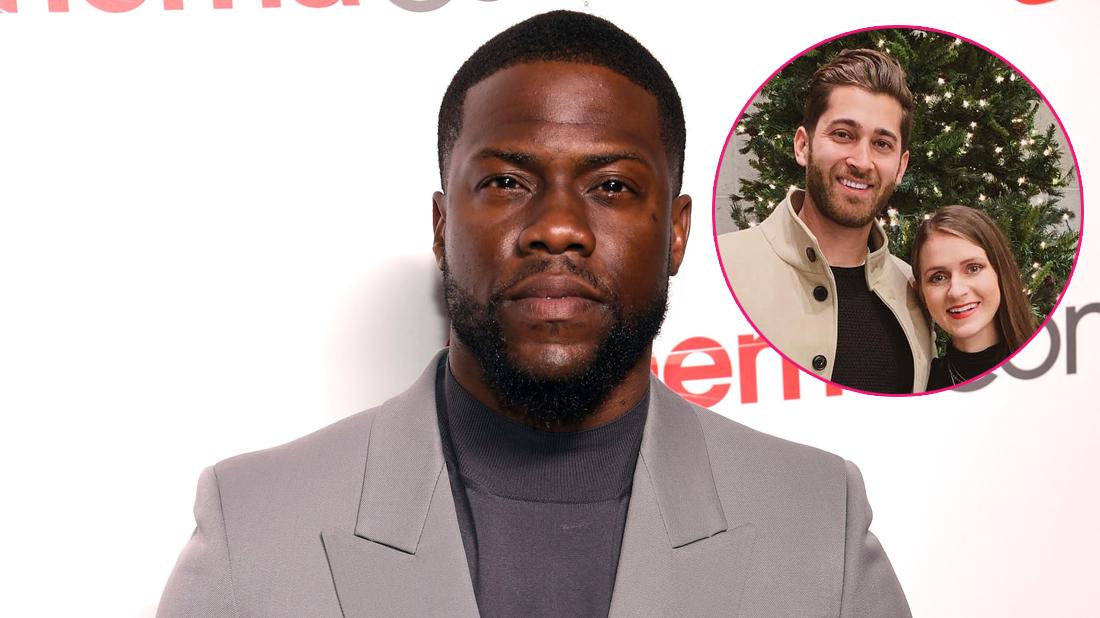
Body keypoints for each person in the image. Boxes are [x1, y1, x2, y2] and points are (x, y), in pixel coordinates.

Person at [158, 11, 911, 617]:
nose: (558, 226)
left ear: (677, 232)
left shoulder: (818, 523)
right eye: (507, 182)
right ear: (441, 225)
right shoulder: (253, 523)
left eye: (612, 186)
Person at [717, 49, 933, 394]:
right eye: (844, 134)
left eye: (881, 143)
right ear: (803, 146)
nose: (862, 161)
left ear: (901, 166)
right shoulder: (720, 267)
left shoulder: (916, 291)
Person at [911, 205, 1037, 389]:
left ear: (1000, 273)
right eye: (938, 277)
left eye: (973, 268)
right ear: (921, 293)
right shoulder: (922, 387)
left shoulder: (1052, 367)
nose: (956, 291)